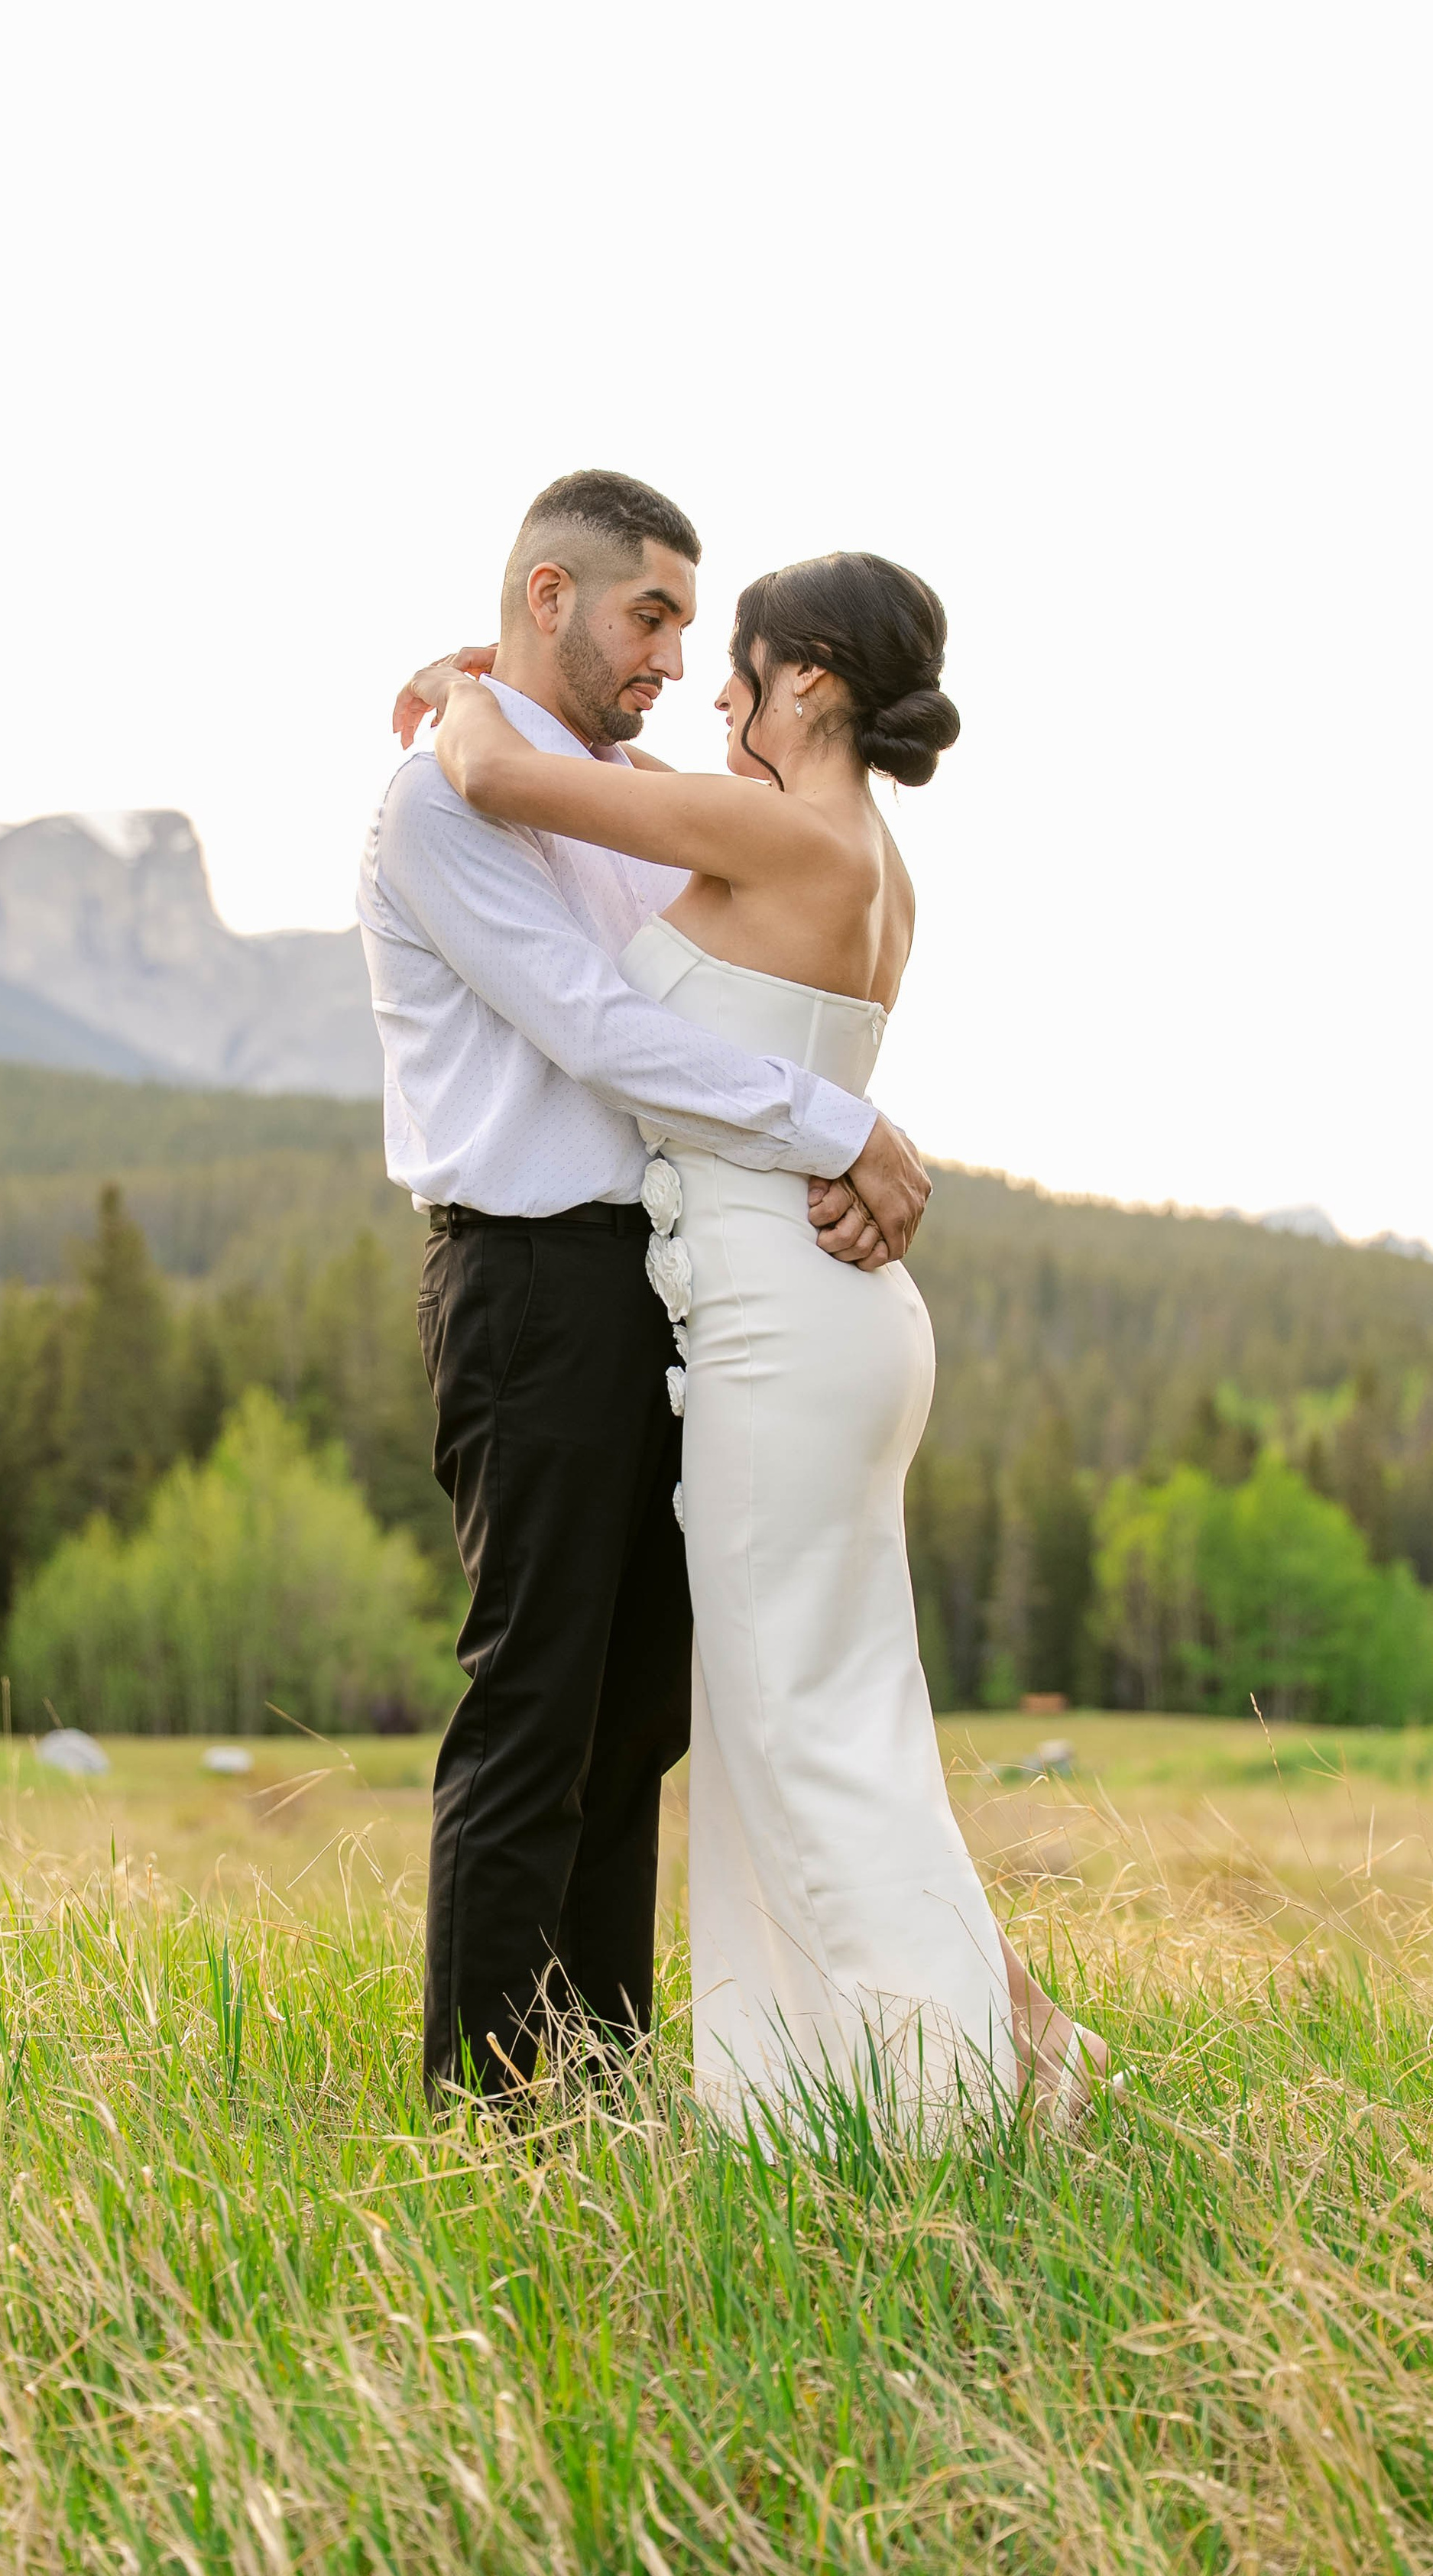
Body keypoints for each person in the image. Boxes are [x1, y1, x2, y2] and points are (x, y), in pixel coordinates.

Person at [401, 541, 1105, 2134]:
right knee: (838, 1707)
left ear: (814, 678)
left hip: (777, 1332)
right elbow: (621, 796)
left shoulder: (763, 828)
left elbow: (499, 774)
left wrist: (459, 684)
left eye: (739, 659)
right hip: (839, 1315)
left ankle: (972, 2072)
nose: (711, 688)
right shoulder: (865, 857)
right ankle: (980, 2042)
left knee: (791, 1726)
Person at [358, 470, 934, 2105]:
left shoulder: (603, 791)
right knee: (534, 1704)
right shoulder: (439, 806)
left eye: (690, 623)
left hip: (674, 1297)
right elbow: (600, 1035)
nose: (673, 656)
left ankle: (598, 2087)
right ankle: (485, 2108)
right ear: (548, 597)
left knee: (636, 1728)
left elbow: (720, 986)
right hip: (529, 1284)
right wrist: (842, 1122)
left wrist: (474, 682)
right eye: (648, 615)